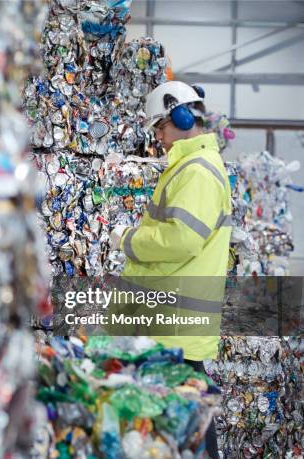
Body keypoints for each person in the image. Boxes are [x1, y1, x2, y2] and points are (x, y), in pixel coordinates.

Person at [109, 81, 232, 459]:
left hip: (177, 322)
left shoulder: (196, 171)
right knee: (182, 414)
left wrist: (127, 239)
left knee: (186, 416)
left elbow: (181, 240)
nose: (158, 138)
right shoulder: (189, 166)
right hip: (171, 318)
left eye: (159, 127)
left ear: (179, 117)